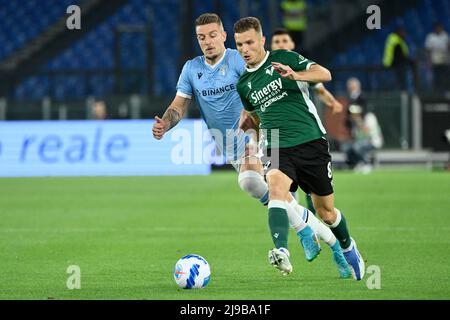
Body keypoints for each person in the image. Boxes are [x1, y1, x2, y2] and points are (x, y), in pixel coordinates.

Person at [152, 13, 350, 278]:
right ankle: (324, 237)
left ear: (223, 36)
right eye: (201, 38)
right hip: (228, 144)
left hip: (263, 135)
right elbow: (179, 105)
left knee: (252, 183)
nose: (208, 42)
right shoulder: (192, 69)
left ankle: (304, 237)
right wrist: (166, 123)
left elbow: (269, 79)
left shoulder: (239, 58)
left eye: (213, 35)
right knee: (275, 195)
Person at [234, 16, 365, 280]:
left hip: (310, 141)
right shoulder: (244, 85)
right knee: (276, 190)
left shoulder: (285, 57)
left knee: (326, 212)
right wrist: (255, 138)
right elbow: (255, 118)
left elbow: (325, 74)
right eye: (239, 45)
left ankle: (348, 246)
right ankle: (281, 249)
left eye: (249, 42)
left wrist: (296, 75)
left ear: (261, 40)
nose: (245, 49)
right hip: (277, 145)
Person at [270, 28, 343, 215]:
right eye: (277, 42)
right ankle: (299, 232)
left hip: (302, 135)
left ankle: (312, 225)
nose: (281, 45)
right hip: (275, 137)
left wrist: (333, 102)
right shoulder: (263, 70)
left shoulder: (299, 66)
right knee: (279, 191)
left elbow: (320, 88)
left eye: (284, 41)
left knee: (316, 200)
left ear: (292, 45)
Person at [383, 26, 414, 91]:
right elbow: (400, 55)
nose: (404, 34)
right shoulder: (396, 41)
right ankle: (400, 95)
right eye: (403, 32)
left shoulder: (394, 39)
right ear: (398, 32)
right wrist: (410, 61)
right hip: (395, 64)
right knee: (399, 83)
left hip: (391, 64)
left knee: (398, 82)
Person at [425, 22, 449, 91]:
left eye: (440, 27)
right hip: (435, 57)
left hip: (444, 57)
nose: (439, 29)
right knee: (436, 75)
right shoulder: (430, 37)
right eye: (437, 28)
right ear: (434, 28)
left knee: (445, 74)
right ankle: (437, 90)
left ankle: (446, 89)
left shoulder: (445, 35)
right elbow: (428, 49)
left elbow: (448, 47)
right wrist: (429, 60)